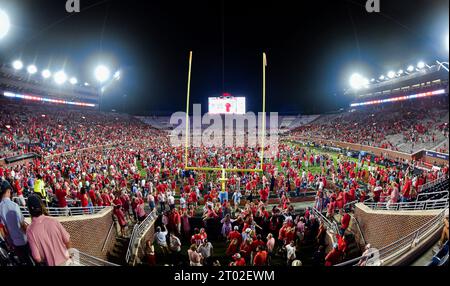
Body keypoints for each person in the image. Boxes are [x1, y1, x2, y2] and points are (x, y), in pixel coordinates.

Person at [25, 195, 75, 266]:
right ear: (41, 206)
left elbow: (37, 258)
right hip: (67, 261)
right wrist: (71, 255)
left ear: (29, 210)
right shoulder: (53, 220)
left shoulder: (30, 230)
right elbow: (67, 240)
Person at [0, 181, 34, 265]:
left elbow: (3, 229)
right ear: (8, 191)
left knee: (23, 262)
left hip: (14, 243)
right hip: (24, 240)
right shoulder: (14, 205)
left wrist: (9, 242)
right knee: (32, 261)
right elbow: (22, 224)